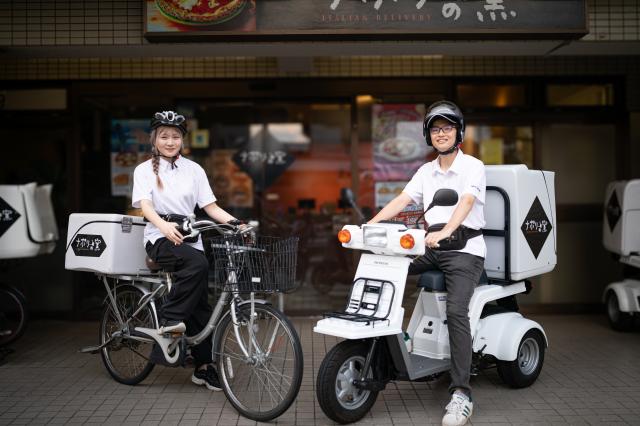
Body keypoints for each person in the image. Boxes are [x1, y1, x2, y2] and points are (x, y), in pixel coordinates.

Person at [368, 101, 485, 426]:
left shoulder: (473, 166)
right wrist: (370, 225)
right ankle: (400, 339)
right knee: (387, 270)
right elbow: (403, 200)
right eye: (436, 128)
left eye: (448, 127)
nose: (442, 133)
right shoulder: (425, 171)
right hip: (431, 245)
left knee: (456, 311)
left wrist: (447, 230)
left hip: (465, 249)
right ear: (428, 135)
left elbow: (466, 201)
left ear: (458, 132)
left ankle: (461, 393)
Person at [132, 110, 243, 392]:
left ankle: (204, 367)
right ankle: (169, 322)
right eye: (164, 136)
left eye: (176, 136)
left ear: (183, 140)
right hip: (159, 237)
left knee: (201, 304)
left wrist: (236, 224)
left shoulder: (194, 170)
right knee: (197, 266)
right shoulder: (144, 170)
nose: (170, 141)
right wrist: (163, 226)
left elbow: (211, 207)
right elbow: (145, 206)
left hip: (190, 240)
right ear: (154, 139)